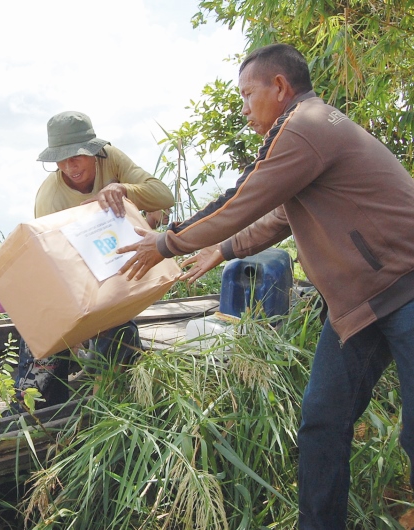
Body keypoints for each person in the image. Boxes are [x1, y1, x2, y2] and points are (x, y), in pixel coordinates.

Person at [117, 43, 414, 528]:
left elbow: (243, 198)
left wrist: (167, 242)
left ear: (279, 87)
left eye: (247, 96)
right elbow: (276, 215)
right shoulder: (308, 133)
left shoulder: (307, 125)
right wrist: (224, 249)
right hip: (360, 306)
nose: (243, 110)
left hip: (406, 288)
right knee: (322, 422)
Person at [15, 110, 175, 411]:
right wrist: (73, 329)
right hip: (73, 267)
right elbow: (54, 268)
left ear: (93, 150)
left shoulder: (111, 158)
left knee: (119, 333)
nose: (69, 166)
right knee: (45, 345)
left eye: (76, 156)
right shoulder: (50, 199)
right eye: (60, 159)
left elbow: (163, 197)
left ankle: (123, 399)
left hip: (111, 259)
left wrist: (123, 189)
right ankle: (40, 410)